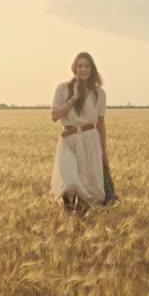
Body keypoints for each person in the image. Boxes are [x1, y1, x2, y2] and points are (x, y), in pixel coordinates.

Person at [50, 51, 111, 216]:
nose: (83, 69)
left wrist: (103, 152)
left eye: (87, 66)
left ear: (92, 69)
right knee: (69, 184)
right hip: (68, 140)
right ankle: (69, 217)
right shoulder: (62, 89)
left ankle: (78, 225)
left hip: (90, 140)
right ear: (74, 68)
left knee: (86, 186)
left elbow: (100, 124)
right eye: (80, 66)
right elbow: (55, 116)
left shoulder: (100, 94)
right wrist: (74, 98)